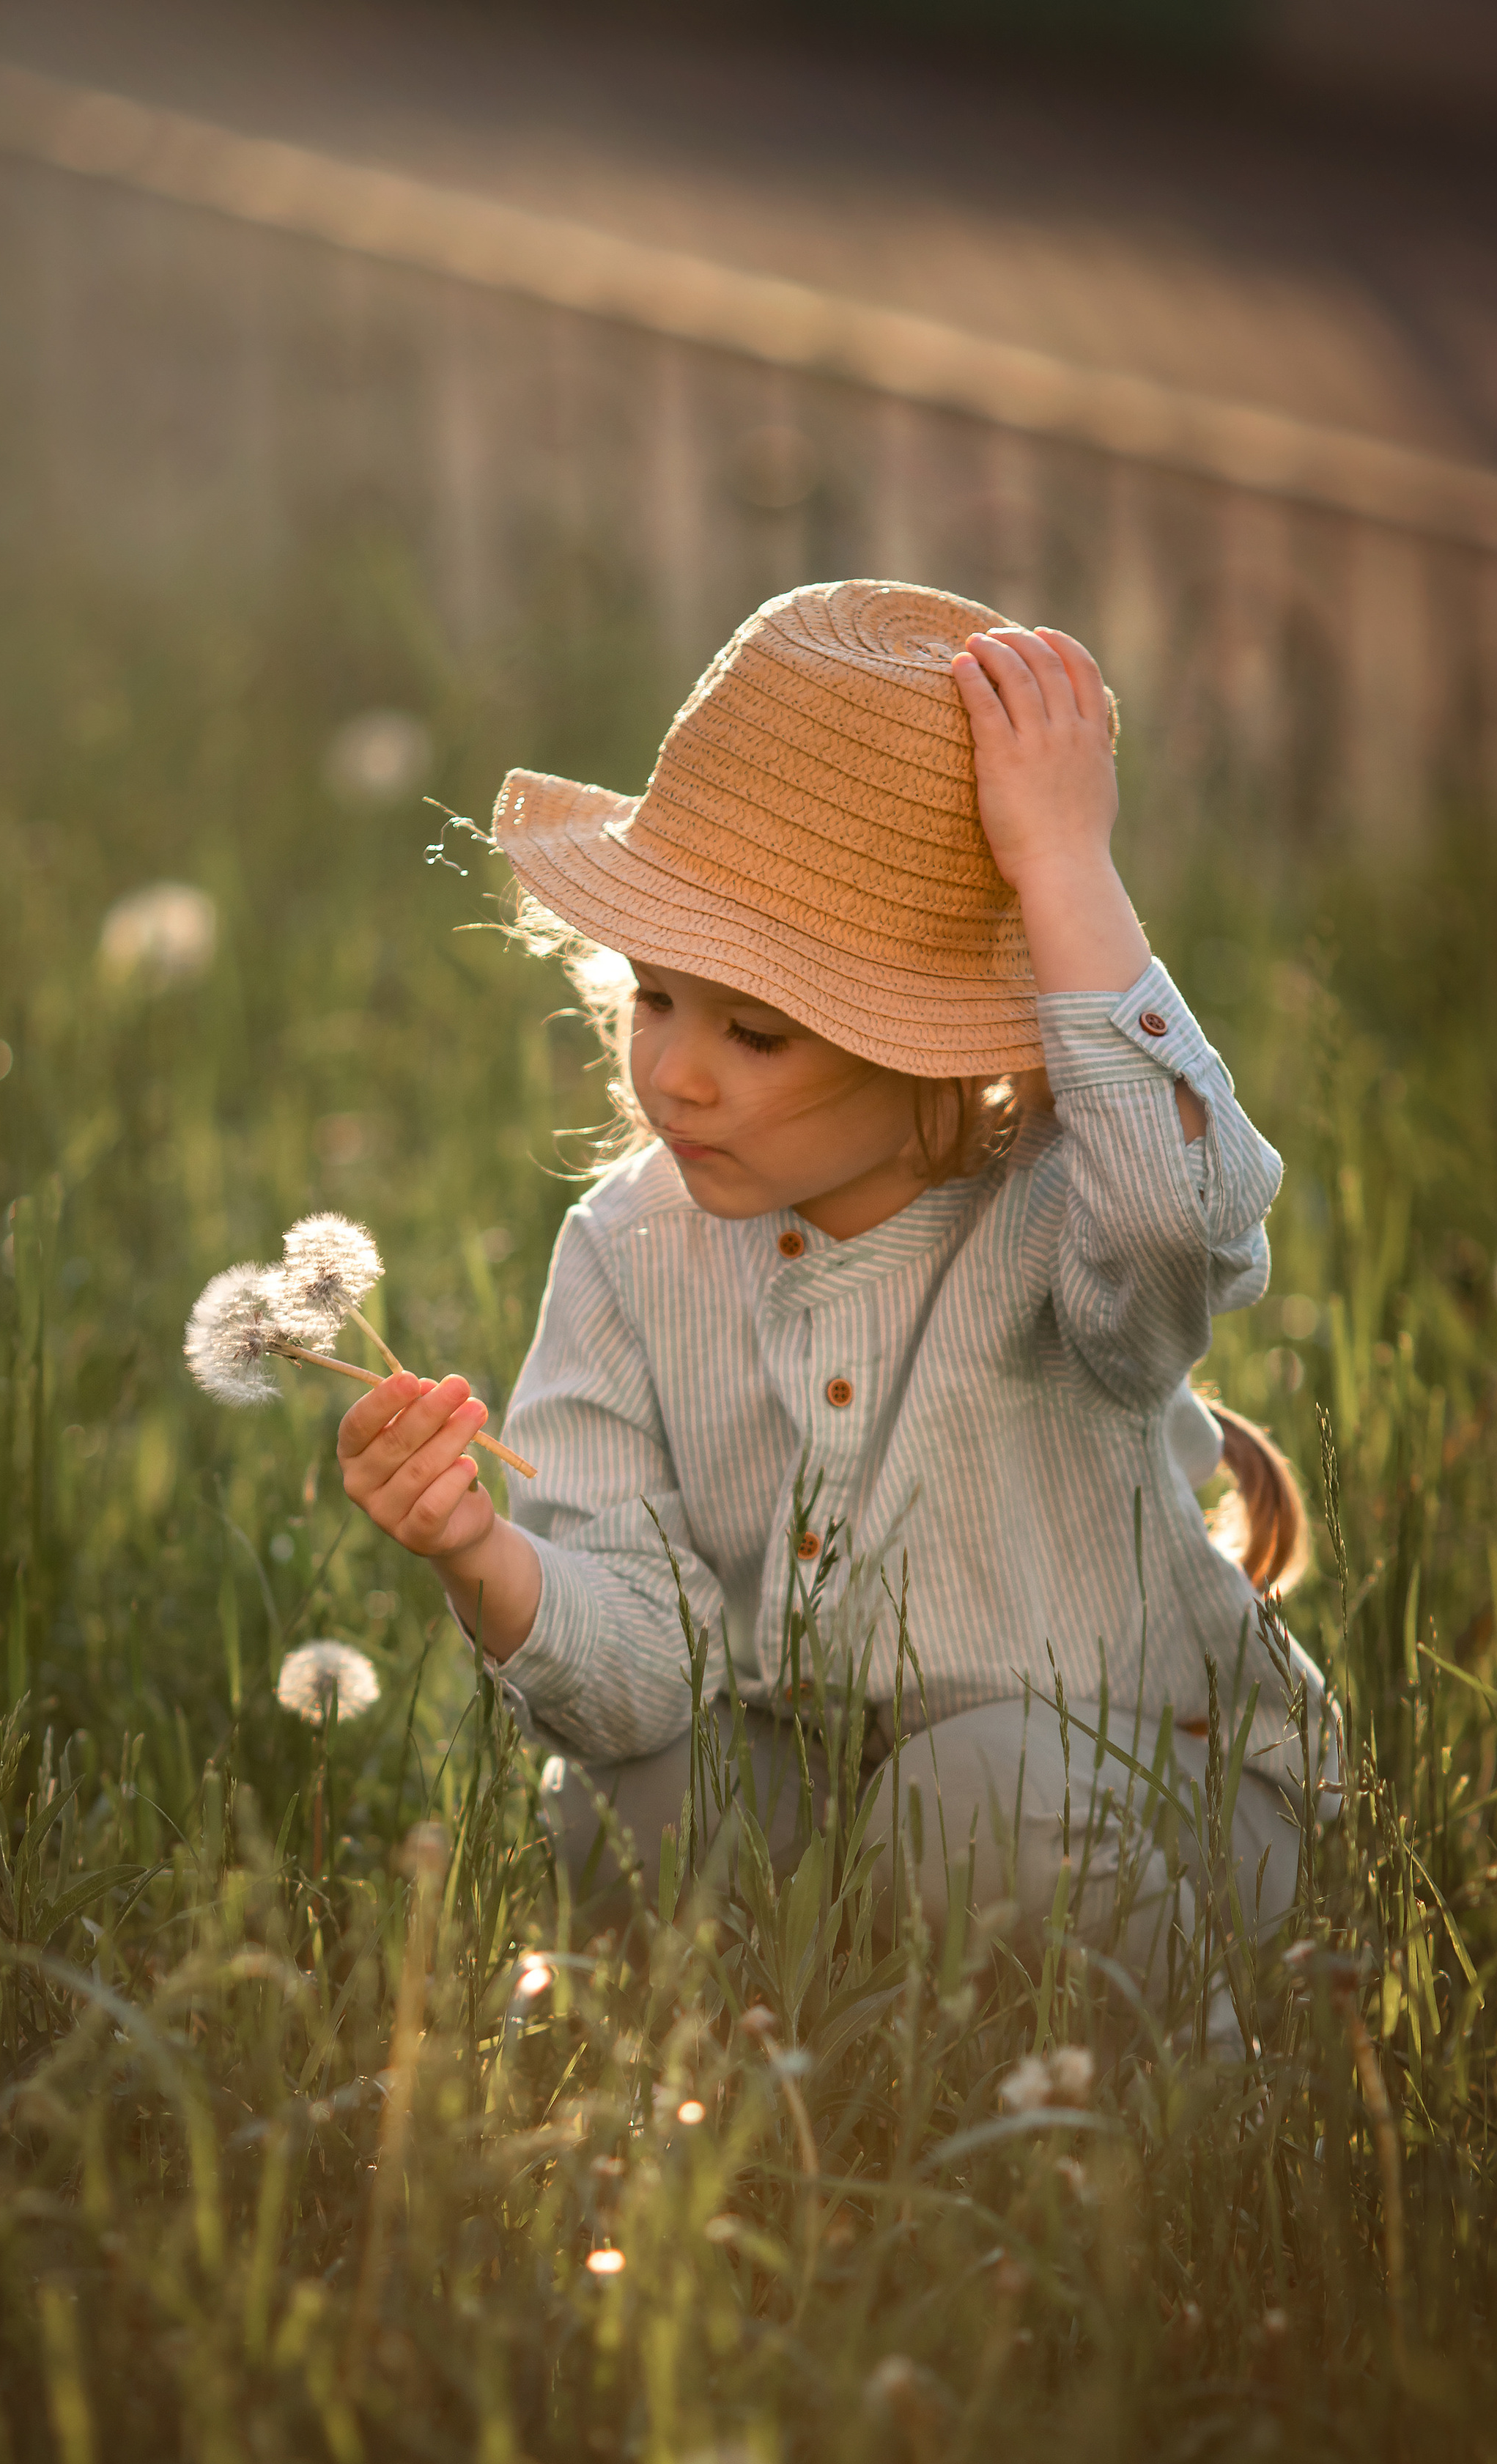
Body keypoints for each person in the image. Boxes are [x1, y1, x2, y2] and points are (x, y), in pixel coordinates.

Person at [336, 580, 1332, 2002]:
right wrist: (477, 1555)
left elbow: (1183, 1221)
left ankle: (1169, 2105)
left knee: (975, 1794)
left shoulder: (1063, 1206)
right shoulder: (628, 1252)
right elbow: (637, 1673)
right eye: (655, 997)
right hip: (830, 1799)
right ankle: (748, 2086)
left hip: (1130, 1791)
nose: (674, 1070)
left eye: (754, 1029)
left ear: (922, 1045)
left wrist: (1060, 871)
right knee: (634, 1800)